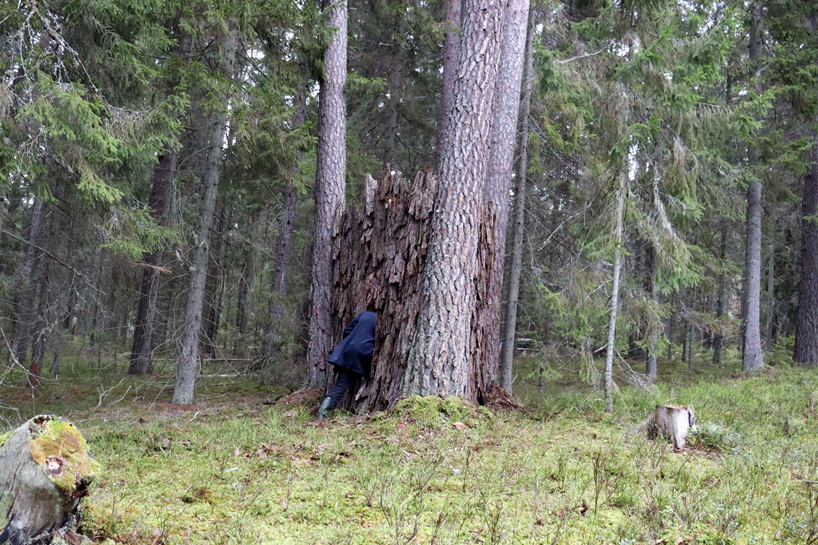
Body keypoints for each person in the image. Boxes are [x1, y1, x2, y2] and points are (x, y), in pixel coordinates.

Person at [317, 311, 376, 420]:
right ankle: (361, 410)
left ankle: (322, 413)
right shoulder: (382, 320)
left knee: (341, 385)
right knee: (368, 380)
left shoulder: (365, 314)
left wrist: (351, 342)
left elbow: (347, 330)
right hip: (365, 354)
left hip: (348, 351)